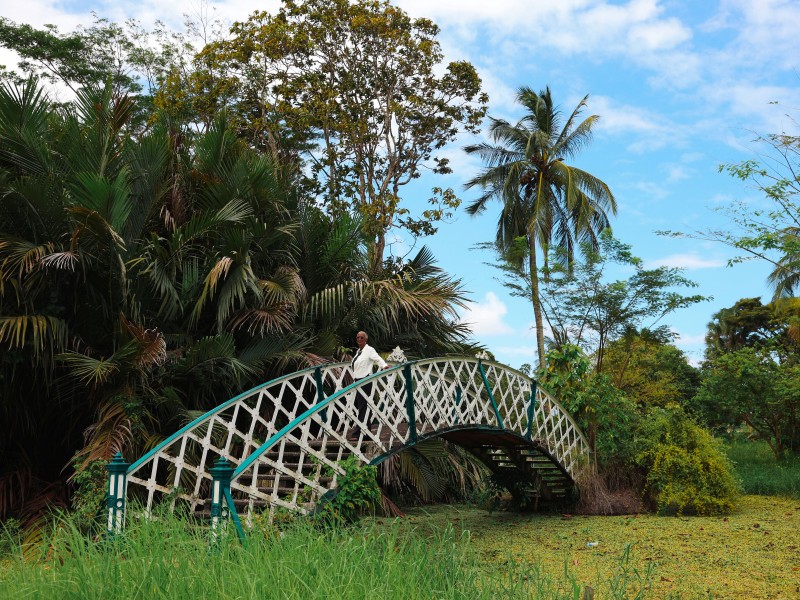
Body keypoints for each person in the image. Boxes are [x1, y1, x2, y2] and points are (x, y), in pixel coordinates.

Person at [349, 331, 390, 439]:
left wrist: (384, 365)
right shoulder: (359, 352)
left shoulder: (369, 350)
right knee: (362, 406)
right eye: (357, 337)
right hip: (357, 381)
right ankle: (366, 431)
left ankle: (358, 432)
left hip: (365, 380)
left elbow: (377, 359)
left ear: (365, 339)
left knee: (362, 406)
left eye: (361, 337)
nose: (359, 339)